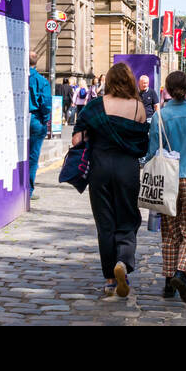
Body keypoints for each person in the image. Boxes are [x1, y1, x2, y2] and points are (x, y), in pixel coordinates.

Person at [72, 62, 150, 298]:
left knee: (105, 223)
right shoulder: (138, 108)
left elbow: (77, 140)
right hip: (127, 169)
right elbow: (142, 144)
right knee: (127, 218)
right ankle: (123, 263)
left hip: (100, 168)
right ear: (129, 81)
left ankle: (109, 278)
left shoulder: (95, 107)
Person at [144, 70, 186, 304]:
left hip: (168, 179)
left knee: (170, 232)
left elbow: (153, 152)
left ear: (166, 88)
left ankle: (167, 284)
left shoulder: (160, 116)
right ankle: (181, 273)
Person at [27, 49, 52, 196]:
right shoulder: (41, 80)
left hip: (19, 119)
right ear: (36, 63)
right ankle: (28, 190)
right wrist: (45, 120)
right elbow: (46, 104)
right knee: (33, 156)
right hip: (36, 119)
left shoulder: (18, 77)